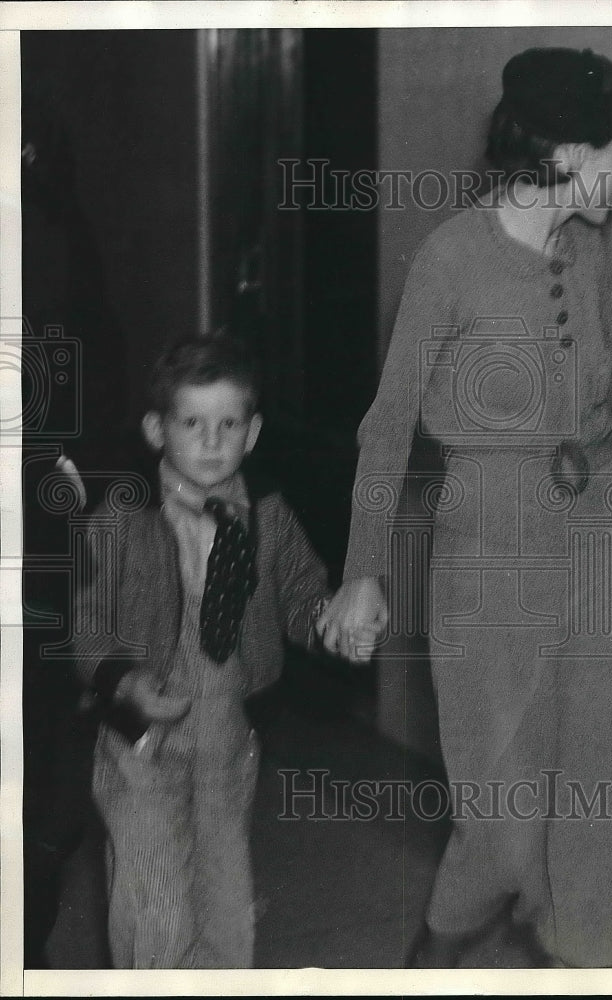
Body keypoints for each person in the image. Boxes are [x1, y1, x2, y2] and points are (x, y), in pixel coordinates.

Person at [319, 48, 612, 968]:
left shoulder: (589, 252)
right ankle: (427, 969)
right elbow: (387, 426)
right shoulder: (450, 259)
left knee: (596, 811)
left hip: (594, 551)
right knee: (505, 826)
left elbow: (601, 423)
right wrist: (362, 572)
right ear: (563, 151)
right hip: (490, 553)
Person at [71, 333, 375, 968]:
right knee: (156, 907)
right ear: (157, 430)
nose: (211, 442)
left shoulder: (267, 516)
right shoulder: (123, 517)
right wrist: (123, 682)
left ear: (253, 431)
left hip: (229, 743)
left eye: (228, 423)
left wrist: (330, 622)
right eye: (192, 423)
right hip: (141, 749)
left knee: (227, 907)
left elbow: (299, 592)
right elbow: (88, 619)